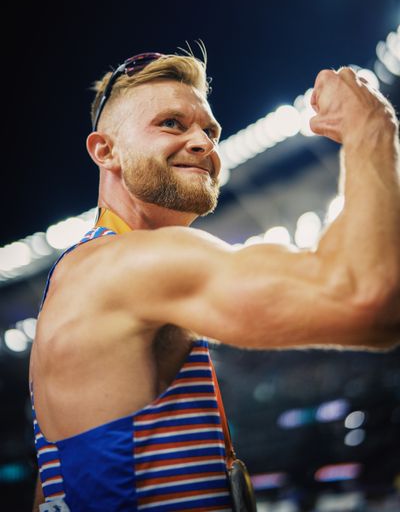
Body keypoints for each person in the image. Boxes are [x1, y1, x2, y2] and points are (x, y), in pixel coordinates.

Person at [30, 47, 400, 511]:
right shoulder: (135, 262)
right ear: (106, 151)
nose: (204, 143)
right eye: (171, 124)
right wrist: (373, 128)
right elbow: (368, 297)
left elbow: (49, 492)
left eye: (210, 130)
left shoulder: (72, 280)